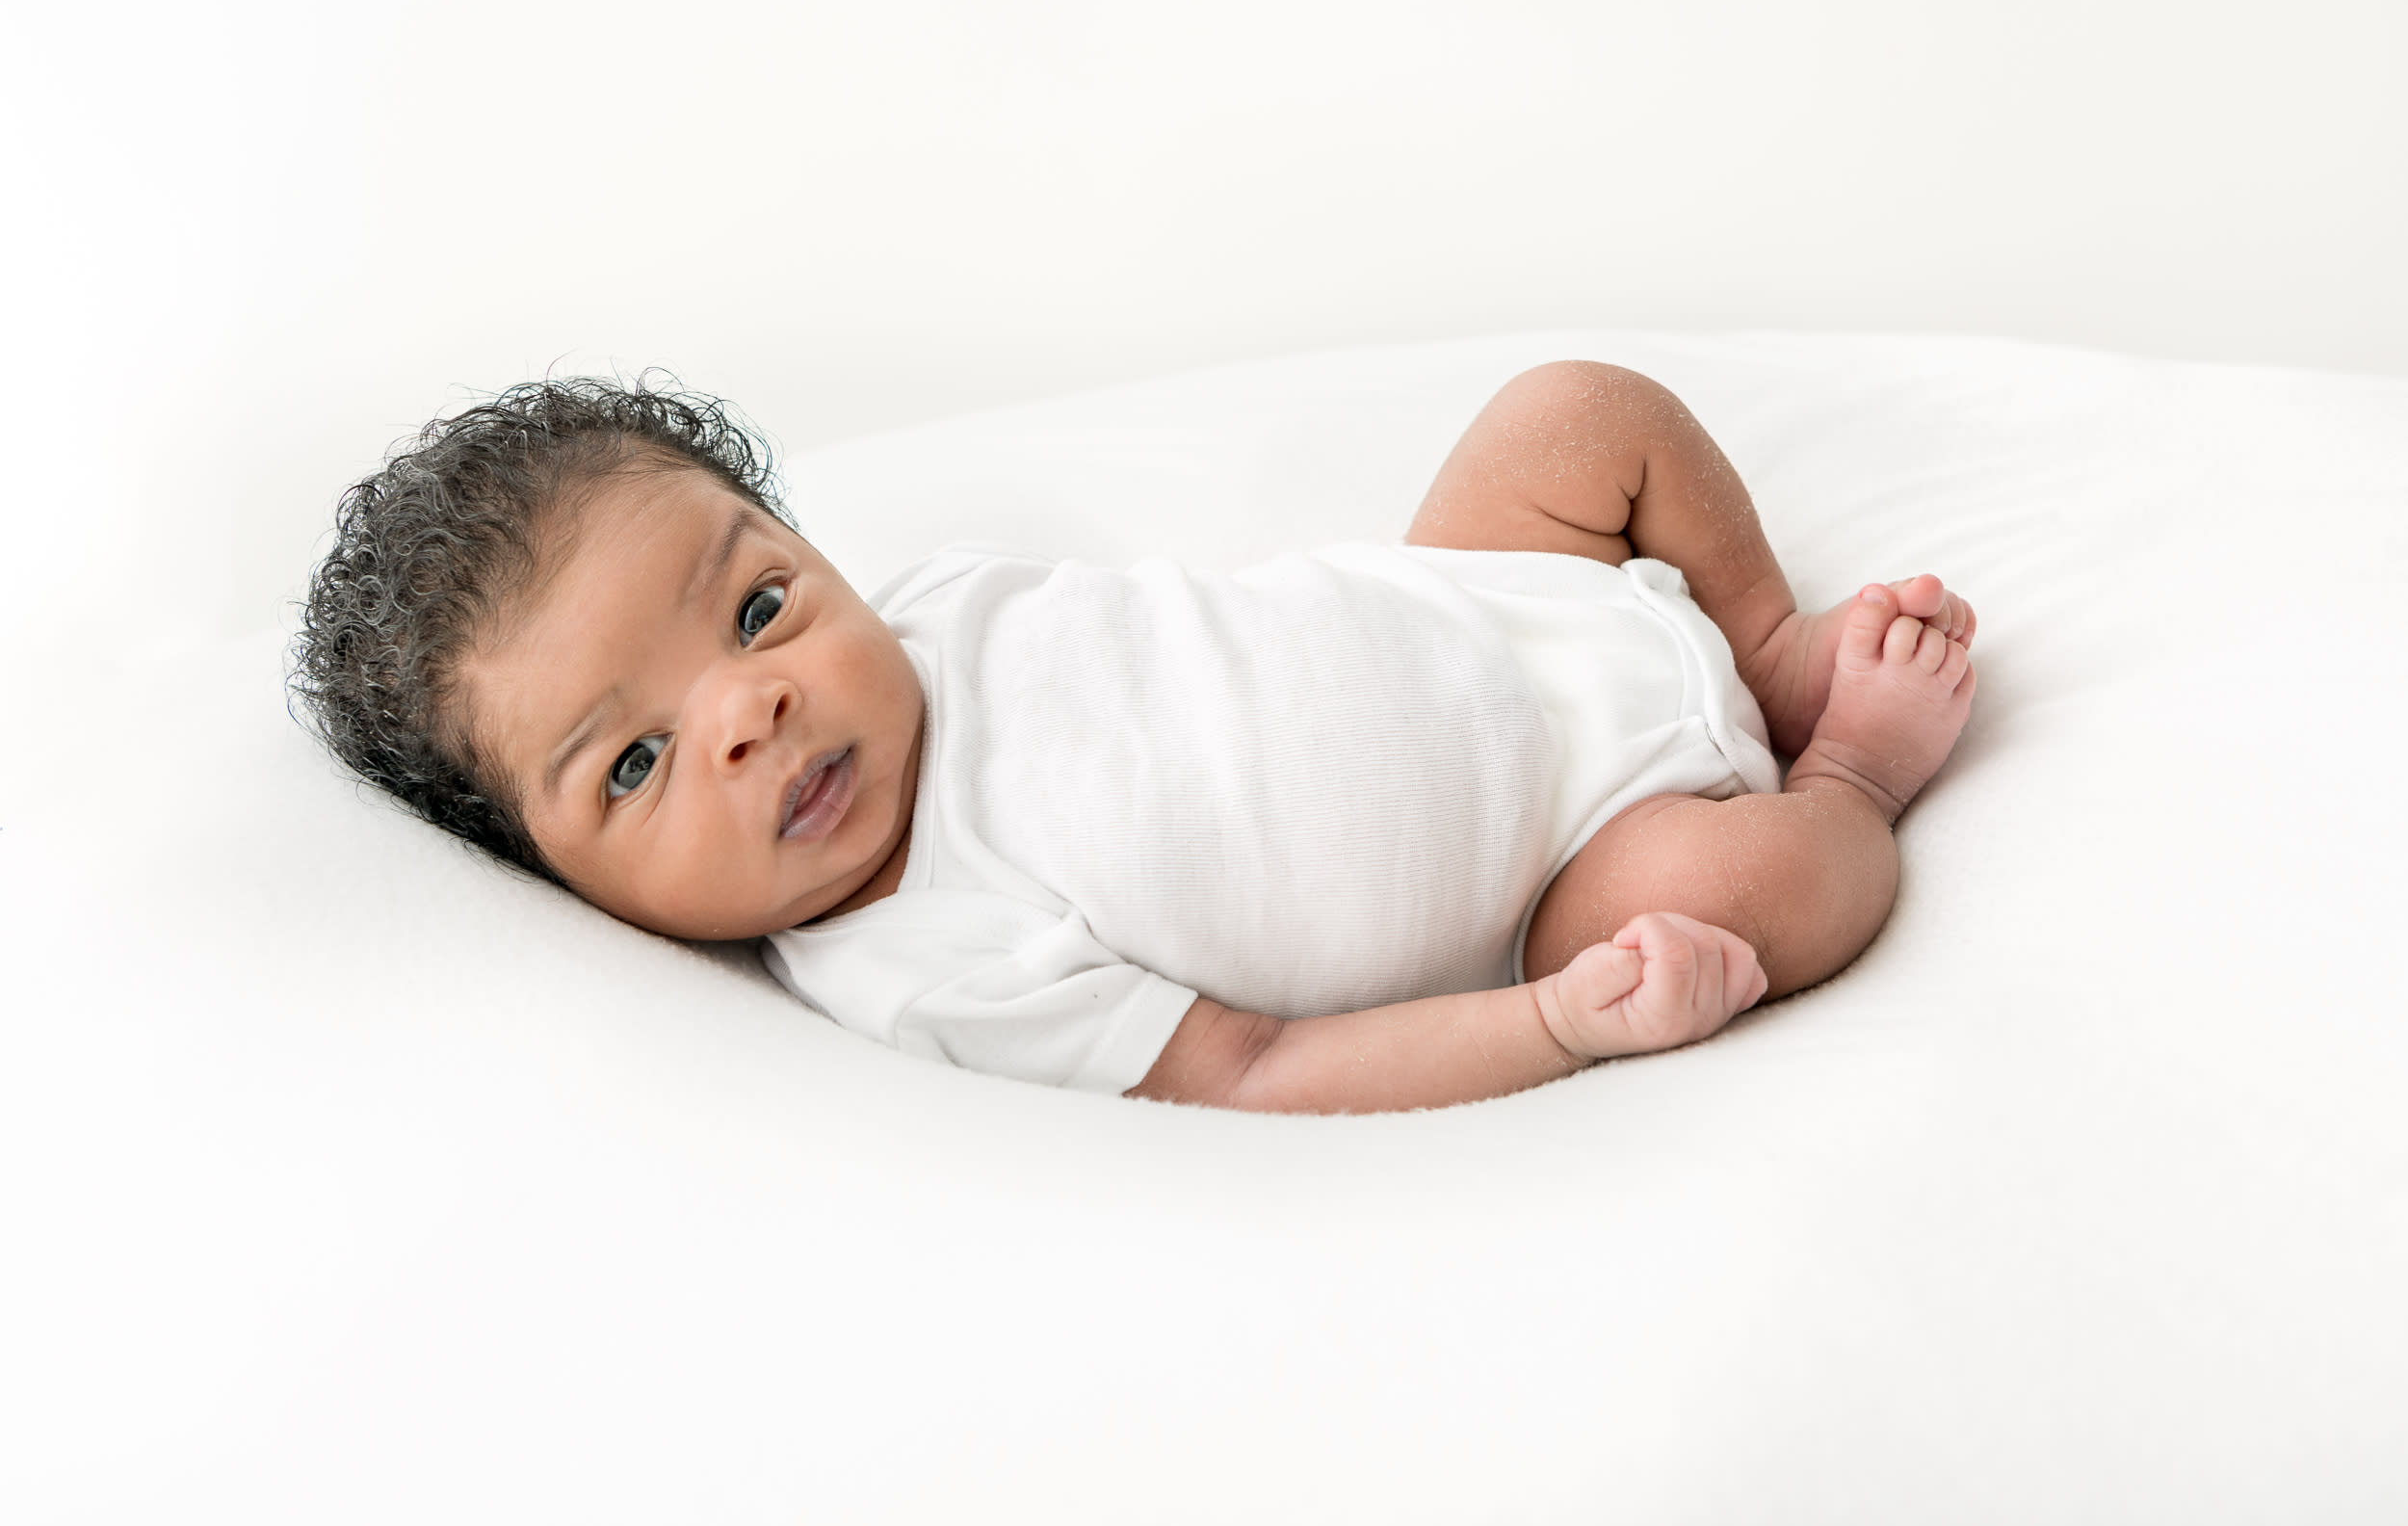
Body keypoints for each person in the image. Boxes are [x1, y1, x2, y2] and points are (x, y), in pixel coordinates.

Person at [293, 361, 1975, 1113]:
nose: (751, 712)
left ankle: (1764, 640)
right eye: (637, 765)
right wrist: (1554, 1019)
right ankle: (1845, 766)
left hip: (1483, 596)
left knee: (1578, 413)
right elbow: (1256, 1068)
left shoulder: (930, 613)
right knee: (1759, 882)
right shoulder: (923, 958)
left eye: (756, 611)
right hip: (1564, 859)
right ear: (559, 883)